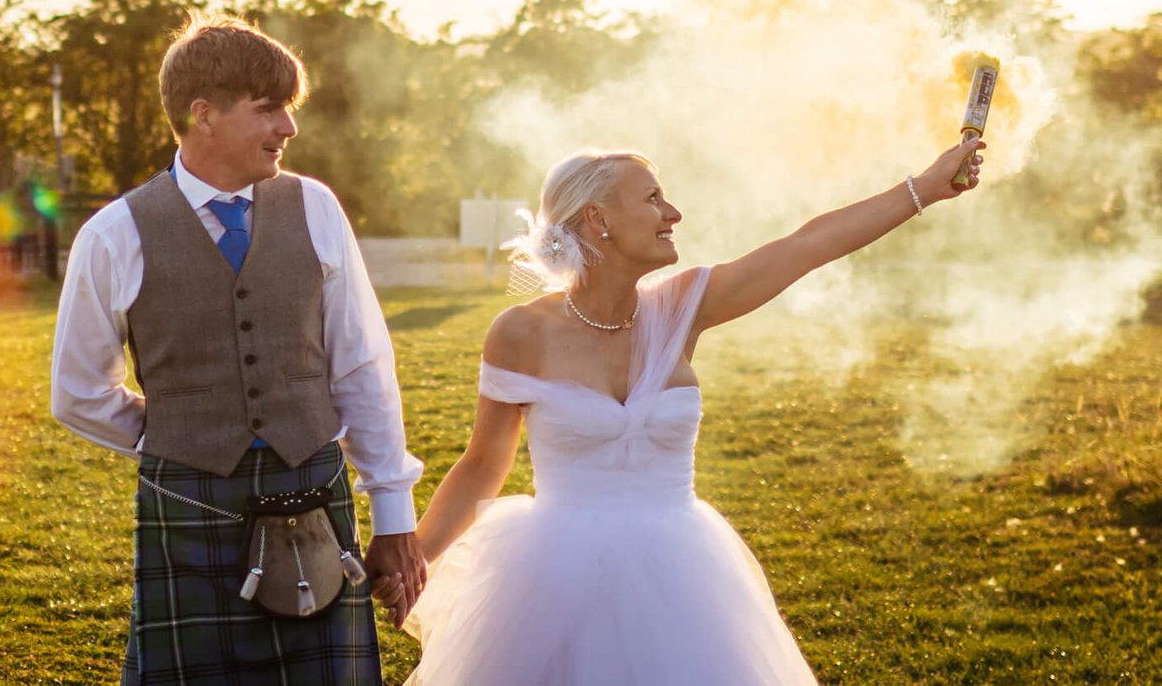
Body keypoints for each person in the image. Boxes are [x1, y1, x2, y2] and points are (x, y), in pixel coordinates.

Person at [402, 134, 986, 684]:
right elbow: (482, 466)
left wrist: (927, 188)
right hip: (547, 584)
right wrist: (410, 560)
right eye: (653, 198)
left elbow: (808, 246)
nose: (673, 213)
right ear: (597, 220)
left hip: (684, 579)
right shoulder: (520, 333)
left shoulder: (682, 308)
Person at [50, 16, 429, 685]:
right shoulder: (113, 234)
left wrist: (393, 513)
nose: (289, 126)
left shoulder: (314, 207)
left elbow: (362, 363)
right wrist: (168, 436)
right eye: (269, 109)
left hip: (312, 491)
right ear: (205, 115)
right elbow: (77, 390)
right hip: (191, 509)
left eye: (290, 107)